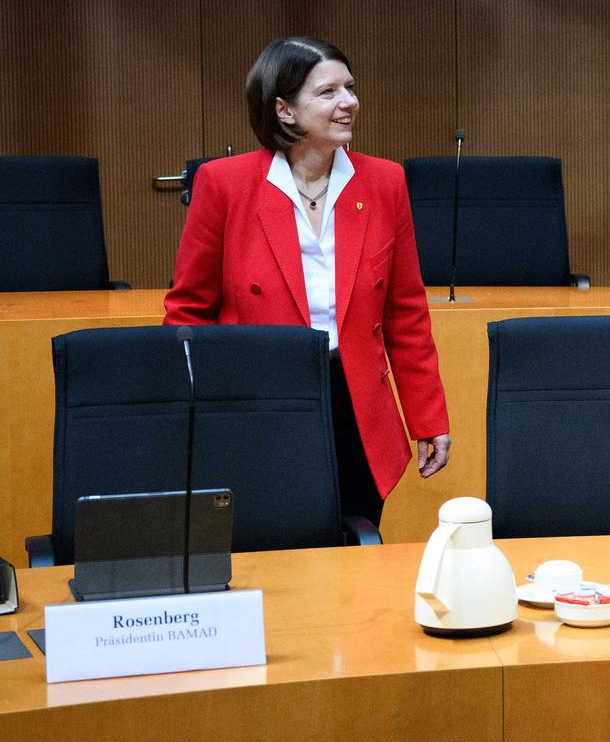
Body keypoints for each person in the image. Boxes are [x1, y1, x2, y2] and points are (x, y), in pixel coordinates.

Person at [166, 37, 451, 526]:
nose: (349, 102)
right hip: (256, 400)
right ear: (285, 110)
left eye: (350, 88)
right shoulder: (224, 185)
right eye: (328, 92)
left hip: (355, 401)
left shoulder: (385, 183)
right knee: (270, 545)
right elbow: (188, 311)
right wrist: (198, 414)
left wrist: (427, 417)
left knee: (354, 538)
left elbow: (405, 311)